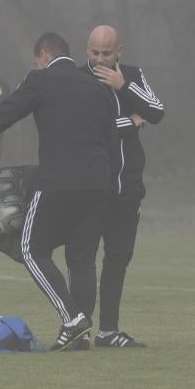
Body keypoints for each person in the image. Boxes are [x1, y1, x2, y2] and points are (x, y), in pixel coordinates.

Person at [0, 33, 116, 351]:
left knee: (31, 249)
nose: (37, 64)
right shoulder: (97, 86)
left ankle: (72, 318)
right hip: (97, 185)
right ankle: (80, 336)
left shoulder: (41, 78)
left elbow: (9, 111)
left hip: (57, 183)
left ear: (45, 55)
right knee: (82, 259)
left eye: (37, 60)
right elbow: (110, 135)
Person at [73, 24, 164, 349]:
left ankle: (108, 331)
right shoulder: (78, 79)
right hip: (90, 188)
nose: (100, 59)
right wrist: (131, 122)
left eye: (106, 53)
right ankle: (77, 329)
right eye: (95, 53)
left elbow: (156, 111)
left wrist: (123, 86)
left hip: (127, 189)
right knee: (82, 258)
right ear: (87, 49)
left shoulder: (132, 75)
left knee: (118, 258)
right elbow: (87, 128)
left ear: (118, 52)